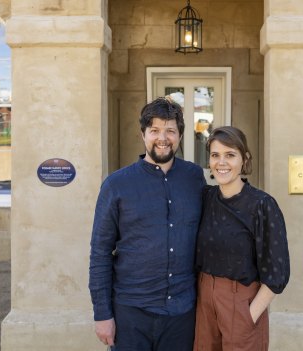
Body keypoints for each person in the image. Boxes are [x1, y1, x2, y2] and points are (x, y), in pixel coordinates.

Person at [89, 97, 206, 350]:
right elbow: (100, 253)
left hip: (182, 312)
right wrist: (102, 314)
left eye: (170, 131)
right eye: (154, 130)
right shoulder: (116, 184)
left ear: (180, 135)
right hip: (131, 312)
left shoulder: (194, 178)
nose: (162, 138)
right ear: (143, 134)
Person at [194, 126, 290, 351]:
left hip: (242, 303)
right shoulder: (206, 198)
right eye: (216, 155)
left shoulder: (262, 205)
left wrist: (249, 315)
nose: (222, 162)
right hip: (204, 301)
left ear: (244, 159)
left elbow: (277, 274)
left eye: (230, 155)